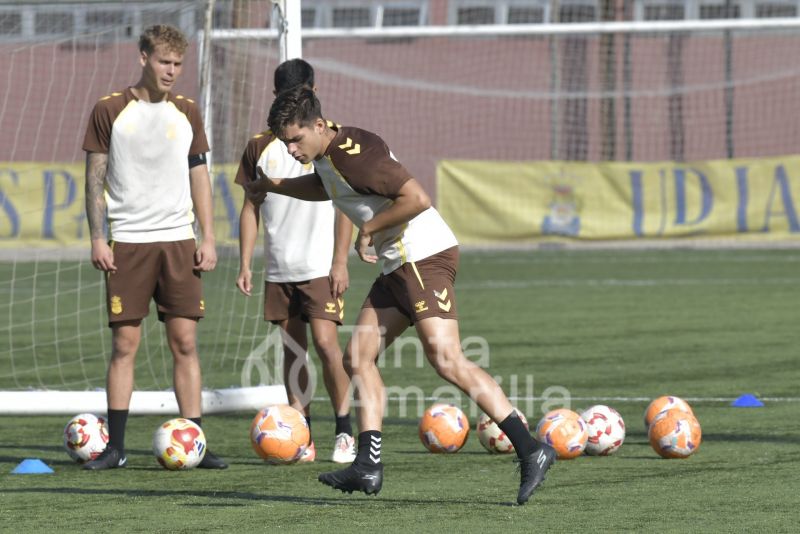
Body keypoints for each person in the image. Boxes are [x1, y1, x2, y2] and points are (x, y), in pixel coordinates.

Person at [244, 87, 557, 504]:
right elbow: (329, 188)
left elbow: (418, 199)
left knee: (447, 359)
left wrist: (368, 229)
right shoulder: (328, 155)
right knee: (357, 356)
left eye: (296, 139)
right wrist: (275, 184)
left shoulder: (356, 153)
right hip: (399, 264)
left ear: (319, 125)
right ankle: (368, 466)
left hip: (423, 257)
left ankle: (531, 448)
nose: (291, 147)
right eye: (285, 142)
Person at [81, 24, 226, 470]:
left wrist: (209, 234)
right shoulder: (109, 110)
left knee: (185, 342)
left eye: (179, 64)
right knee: (125, 344)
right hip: (128, 242)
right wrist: (97, 236)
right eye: (165, 61)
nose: (172, 71)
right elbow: (95, 177)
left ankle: (195, 444)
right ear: (143, 57)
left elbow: (199, 175)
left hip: (179, 242)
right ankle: (117, 448)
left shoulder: (187, 110)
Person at [235, 58, 356, 464]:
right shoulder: (259, 146)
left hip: (320, 265)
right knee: (292, 350)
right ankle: (300, 433)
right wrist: (246, 263)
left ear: (313, 93)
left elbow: (344, 203)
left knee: (326, 344)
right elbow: (251, 206)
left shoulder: (329, 138)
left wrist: (341, 260)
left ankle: (344, 430)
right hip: (280, 267)